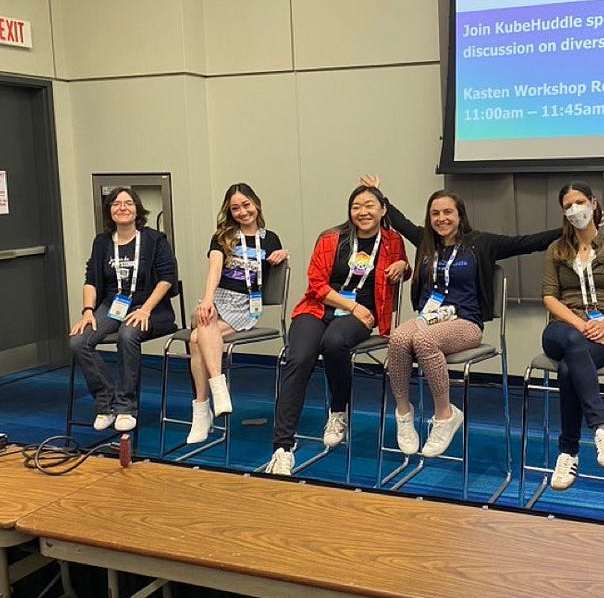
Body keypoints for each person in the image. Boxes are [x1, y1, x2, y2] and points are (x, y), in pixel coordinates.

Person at [362, 174, 561, 460]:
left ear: (459, 215)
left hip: (466, 322)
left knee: (424, 341)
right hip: (429, 318)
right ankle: (404, 413)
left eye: (447, 212)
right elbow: (401, 222)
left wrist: (567, 229)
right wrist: (379, 197)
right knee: (399, 338)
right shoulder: (426, 242)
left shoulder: (481, 243)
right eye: (435, 213)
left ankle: (445, 414)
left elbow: (527, 243)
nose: (441, 218)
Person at [266, 185, 408, 476]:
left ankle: (337, 411)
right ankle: (282, 447)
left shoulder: (393, 240)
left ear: (383, 210)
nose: (363, 212)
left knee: (334, 343)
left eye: (370, 205)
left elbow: (403, 270)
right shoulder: (331, 238)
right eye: (357, 206)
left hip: (364, 316)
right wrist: (351, 305)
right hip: (319, 308)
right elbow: (316, 285)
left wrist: (403, 264)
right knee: (299, 358)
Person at [540, 182, 604, 491]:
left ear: (594, 204)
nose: (574, 210)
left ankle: (568, 451)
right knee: (571, 342)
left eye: (580, 202)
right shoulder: (557, 250)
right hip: (563, 329)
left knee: (570, 367)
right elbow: (550, 298)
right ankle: (600, 428)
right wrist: (581, 326)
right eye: (568, 206)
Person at [69, 187, 178, 432]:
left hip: (150, 306)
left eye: (128, 203)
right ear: (110, 211)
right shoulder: (102, 243)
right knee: (78, 341)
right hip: (112, 305)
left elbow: (167, 278)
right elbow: (91, 279)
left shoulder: (154, 240)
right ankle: (106, 402)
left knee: (127, 335)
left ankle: (127, 406)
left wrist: (146, 309)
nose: (123, 207)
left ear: (137, 208)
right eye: (116, 204)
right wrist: (88, 310)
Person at [186, 183, 288, 444]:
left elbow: (273, 265)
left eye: (246, 205)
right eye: (235, 208)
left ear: (256, 204)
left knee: (197, 338)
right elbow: (215, 268)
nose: (242, 212)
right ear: (229, 212)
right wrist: (207, 300)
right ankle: (216, 390)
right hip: (219, 298)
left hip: (246, 304)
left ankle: (201, 408)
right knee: (201, 328)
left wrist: (282, 253)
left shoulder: (270, 238)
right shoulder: (223, 236)